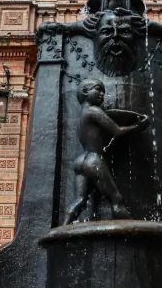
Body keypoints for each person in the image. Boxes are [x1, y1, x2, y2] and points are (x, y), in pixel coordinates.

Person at [63, 79, 149, 225]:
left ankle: (62, 230)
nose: (102, 94)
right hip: (94, 160)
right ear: (85, 92)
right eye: (98, 89)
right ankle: (133, 235)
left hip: (81, 160)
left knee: (80, 200)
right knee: (116, 199)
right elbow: (117, 131)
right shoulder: (94, 111)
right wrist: (138, 126)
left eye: (103, 91)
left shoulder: (82, 116)